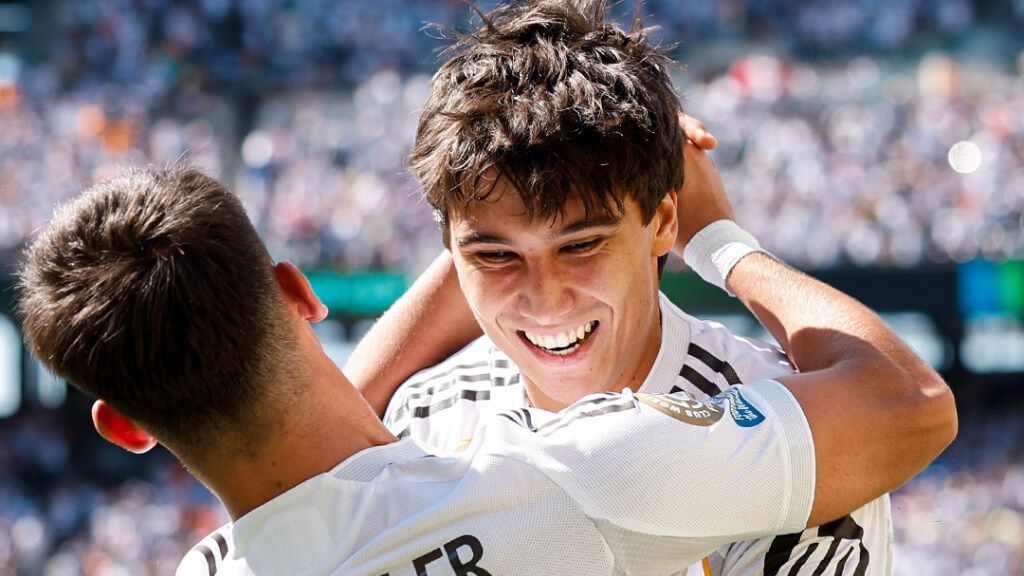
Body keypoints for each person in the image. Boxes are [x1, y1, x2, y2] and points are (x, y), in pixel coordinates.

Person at [18, 161, 952, 574]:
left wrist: (488, 217)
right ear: (301, 293)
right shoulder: (564, 479)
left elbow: (351, 468)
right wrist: (715, 236)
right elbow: (906, 402)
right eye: (490, 255)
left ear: (126, 426)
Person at [343, 2, 958, 574]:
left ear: (664, 220)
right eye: (495, 254)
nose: (545, 298)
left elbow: (912, 401)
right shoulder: (423, 413)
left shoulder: (789, 427)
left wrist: (718, 240)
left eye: (581, 246)